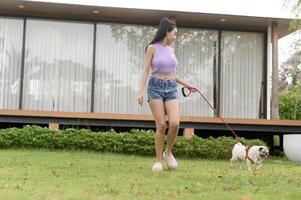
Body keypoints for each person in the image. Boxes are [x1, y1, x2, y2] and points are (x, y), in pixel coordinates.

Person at [138, 17, 197, 172]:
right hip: (155, 87)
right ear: (166, 32)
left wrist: (188, 85)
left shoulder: (171, 51)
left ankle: (168, 152)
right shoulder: (152, 48)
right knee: (162, 125)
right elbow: (145, 70)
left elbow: (173, 74)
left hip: (171, 87)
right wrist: (140, 91)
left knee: (175, 123)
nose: (175, 38)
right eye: (174, 34)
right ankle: (157, 160)